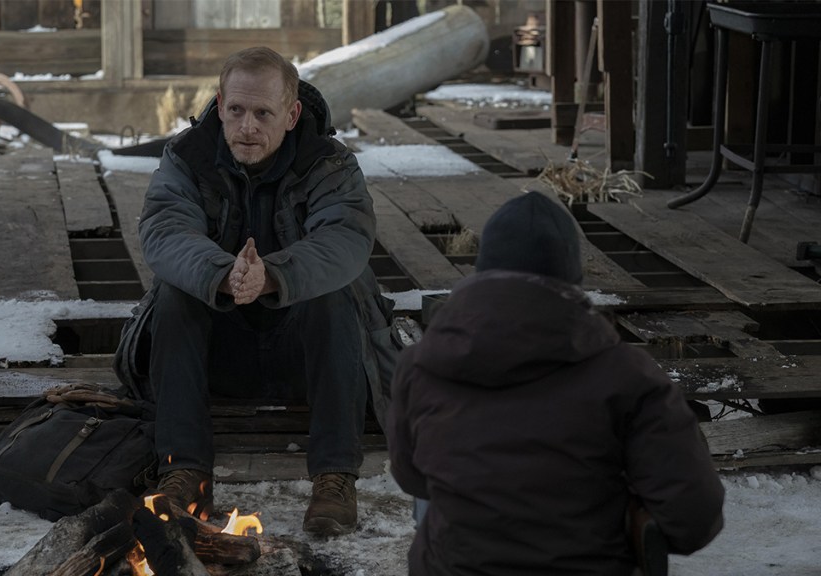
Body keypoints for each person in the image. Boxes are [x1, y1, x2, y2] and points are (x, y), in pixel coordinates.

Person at [131, 46, 399, 537]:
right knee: (174, 292)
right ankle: (183, 471)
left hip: (305, 355)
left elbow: (345, 240)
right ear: (219, 104)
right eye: (235, 110)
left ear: (291, 115)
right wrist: (223, 274)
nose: (247, 127)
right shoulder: (187, 156)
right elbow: (165, 230)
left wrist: (272, 276)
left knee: (337, 289)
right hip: (218, 353)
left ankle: (335, 477)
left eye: (262, 114)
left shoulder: (331, 164)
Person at [386, 191, 725, 575]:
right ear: (572, 279)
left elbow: (412, 478)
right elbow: (693, 516)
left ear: (481, 271)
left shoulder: (421, 365)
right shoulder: (628, 375)